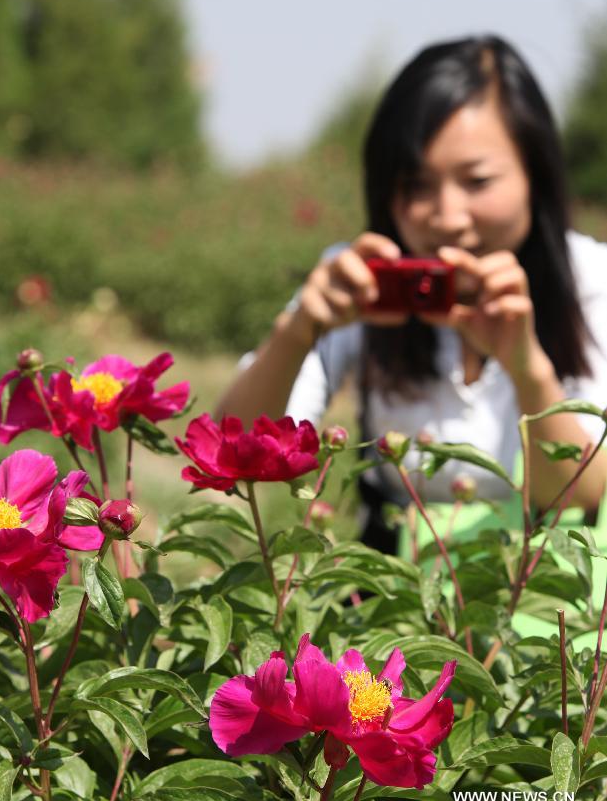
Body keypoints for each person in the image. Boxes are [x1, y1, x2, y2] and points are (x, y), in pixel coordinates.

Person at [216, 34, 607, 552]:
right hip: (392, 594)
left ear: (535, 173)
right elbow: (236, 453)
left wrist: (526, 366)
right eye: (416, 186)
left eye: (477, 181)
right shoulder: (360, 278)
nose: (447, 218)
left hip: (538, 597)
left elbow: (578, 496)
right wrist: (297, 332)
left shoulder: (590, 278)